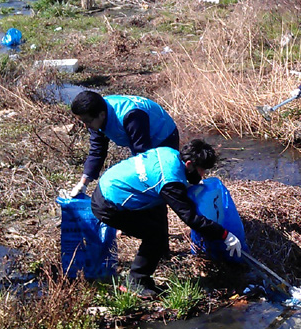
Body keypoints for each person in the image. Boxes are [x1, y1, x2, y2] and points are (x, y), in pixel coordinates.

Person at [90, 139, 242, 297]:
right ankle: (135, 282)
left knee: (159, 217)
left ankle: (157, 256)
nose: (203, 175)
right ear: (189, 164)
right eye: (201, 170)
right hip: (109, 204)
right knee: (155, 235)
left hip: (110, 184)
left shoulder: (170, 153)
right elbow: (191, 218)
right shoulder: (170, 182)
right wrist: (224, 235)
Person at [65, 91, 179, 198]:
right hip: (142, 140)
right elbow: (97, 151)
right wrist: (83, 183)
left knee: (162, 179)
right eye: (82, 122)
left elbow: (143, 155)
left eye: (88, 121)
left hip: (163, 135)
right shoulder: (96, 114)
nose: (86, 126)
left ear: (102, 115)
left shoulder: (131, 115)